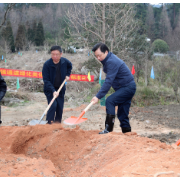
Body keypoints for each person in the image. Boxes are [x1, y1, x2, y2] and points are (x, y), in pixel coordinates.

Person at [91, 43, 136, 134]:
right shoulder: (109, 60)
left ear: (106, 52)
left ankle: (108, 129)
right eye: (96, 56)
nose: (98, 58)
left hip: (127, 87)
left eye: (99, 55)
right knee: (122, 113)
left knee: (110, 101)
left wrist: (98, 96)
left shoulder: (111, 61)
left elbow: (108, 81)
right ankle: (127, 133)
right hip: (126, 87)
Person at [42, 46, 72, 124]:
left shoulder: (64, 62)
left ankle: (57, 124)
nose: (54, 57)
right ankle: (49, 122)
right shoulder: (47, 65)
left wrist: (68, 74)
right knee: (53, 105)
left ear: (61, 54)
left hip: (61, 88)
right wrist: (53, 91)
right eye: (53, 54)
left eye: (57, 54)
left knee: (59, 107)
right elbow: (46, 80)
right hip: (50, 89)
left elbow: (70, 65)